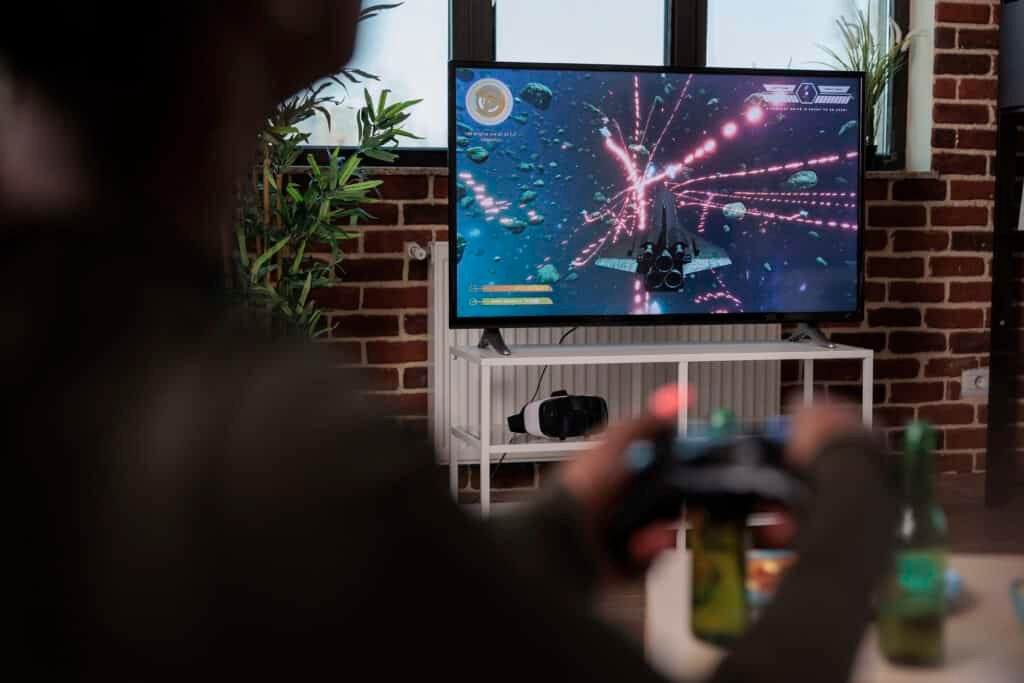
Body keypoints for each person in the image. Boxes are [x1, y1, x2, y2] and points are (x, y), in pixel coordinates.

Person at [2, 3, 896, 680]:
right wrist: (853, 471)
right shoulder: (265, 446)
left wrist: (567, 524)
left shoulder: (88, 352)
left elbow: (382, 591)